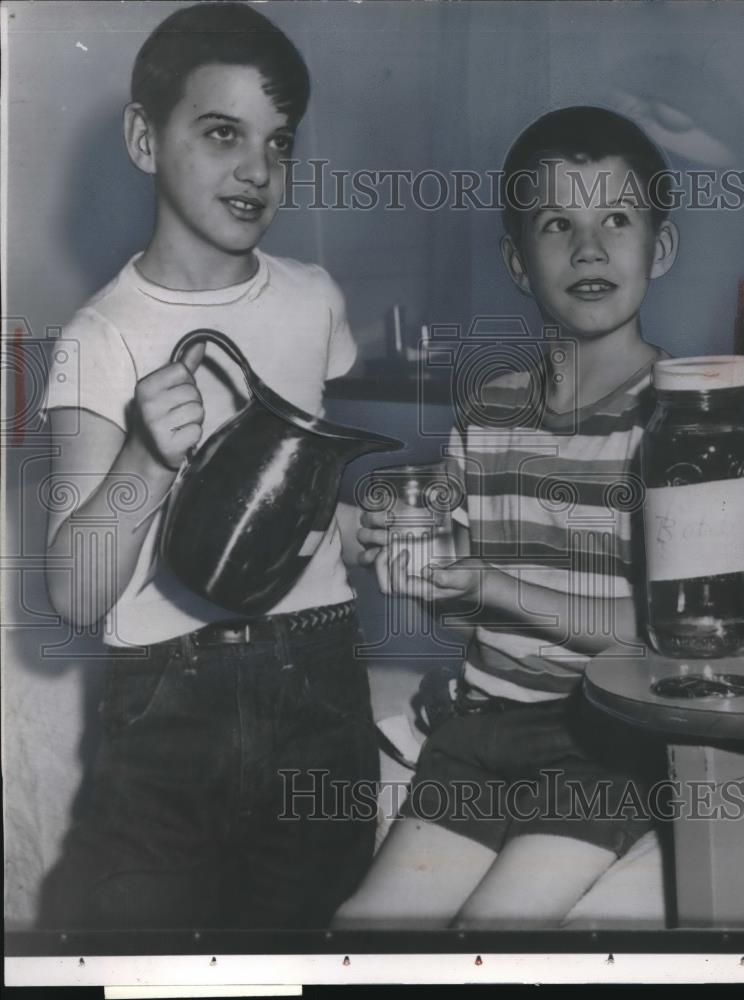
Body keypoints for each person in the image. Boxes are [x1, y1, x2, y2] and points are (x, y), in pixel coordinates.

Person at [39, 2, 378, 930]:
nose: (257, 169)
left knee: (314, 943)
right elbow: (73, 592)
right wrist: (147, 459)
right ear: (144, 138)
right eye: (221, 132)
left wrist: (360, 523)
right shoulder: (100, 337)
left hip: (320, 677)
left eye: (279, 142)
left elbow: (295, 506)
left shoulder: (313, 302)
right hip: (166, 699)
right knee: (144, 951)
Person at [335, 106, 680, 929]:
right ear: (517, 262)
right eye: (556, 223)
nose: (588, 247)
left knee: (488, 938)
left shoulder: (682, 423)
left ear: (658, 249)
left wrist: (494, 584)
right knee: (360, 934)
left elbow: (667, 637)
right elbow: (462, 591)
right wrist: (422, 568)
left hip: (605, 745)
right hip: (478, 730)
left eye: (617, 219)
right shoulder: (486, 413)